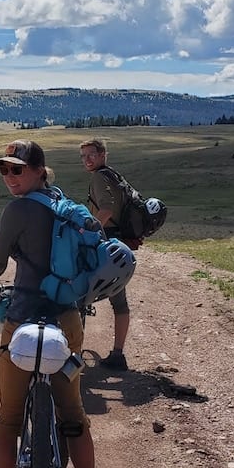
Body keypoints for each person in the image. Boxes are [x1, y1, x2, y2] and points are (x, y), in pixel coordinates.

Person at [0, 139, 112, 468]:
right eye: (4, 170)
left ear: (37, 170)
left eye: (17, 169)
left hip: (22, 321)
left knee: (9, 417)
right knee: (73, 415)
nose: (9, 177)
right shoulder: (64, 206)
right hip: (65, 321)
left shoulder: (17, 209)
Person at [80, 137, 135, 371]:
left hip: (105, 243)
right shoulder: (113, 175)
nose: (87, 160)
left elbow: (106, 209)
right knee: (119, 301)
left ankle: (73, 354)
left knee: (80, 295)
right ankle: (118, 353)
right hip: (119, 242)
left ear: (103, 154)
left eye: (91, 154)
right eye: (83, 156)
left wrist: (86, 232)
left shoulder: (99, 177)